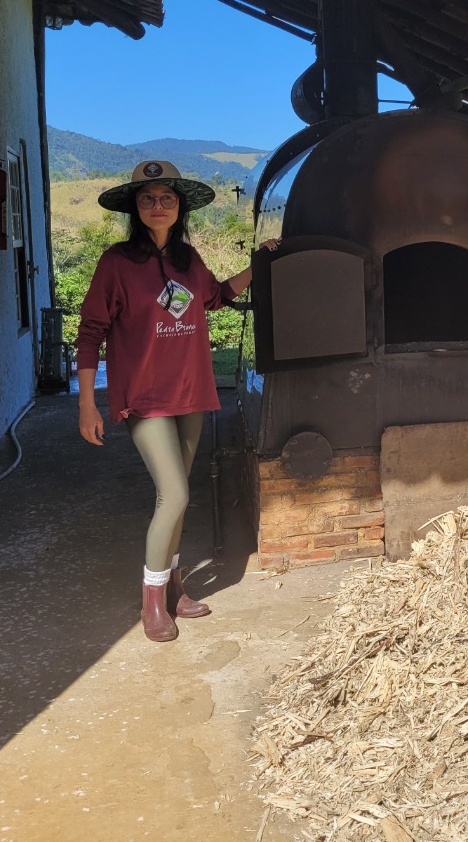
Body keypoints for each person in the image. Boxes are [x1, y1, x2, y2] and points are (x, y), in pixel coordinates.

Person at [76, 161, 279, 642]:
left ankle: (174, 587)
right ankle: (150, 600)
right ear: (136, 208)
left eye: (167, 198)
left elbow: (216, 297)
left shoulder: (188, 259)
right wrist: (88, 403)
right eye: (148, 198)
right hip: (144, 398)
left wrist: (261, 263)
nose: (158, 206)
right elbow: (90, 333)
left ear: (179, 206)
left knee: (177, 500)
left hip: (190, 392)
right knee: (176, 494)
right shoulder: (117, 263)